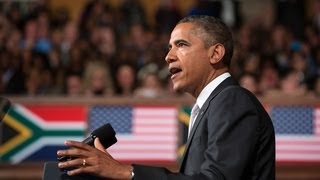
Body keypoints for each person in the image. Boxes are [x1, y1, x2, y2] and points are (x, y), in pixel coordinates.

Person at [57, 15, 275, 180]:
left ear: (215, 54)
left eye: (181, 45)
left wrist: (126, 172)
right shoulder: (212, 105)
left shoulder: (232, 100)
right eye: (169, 47)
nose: (168, 56)